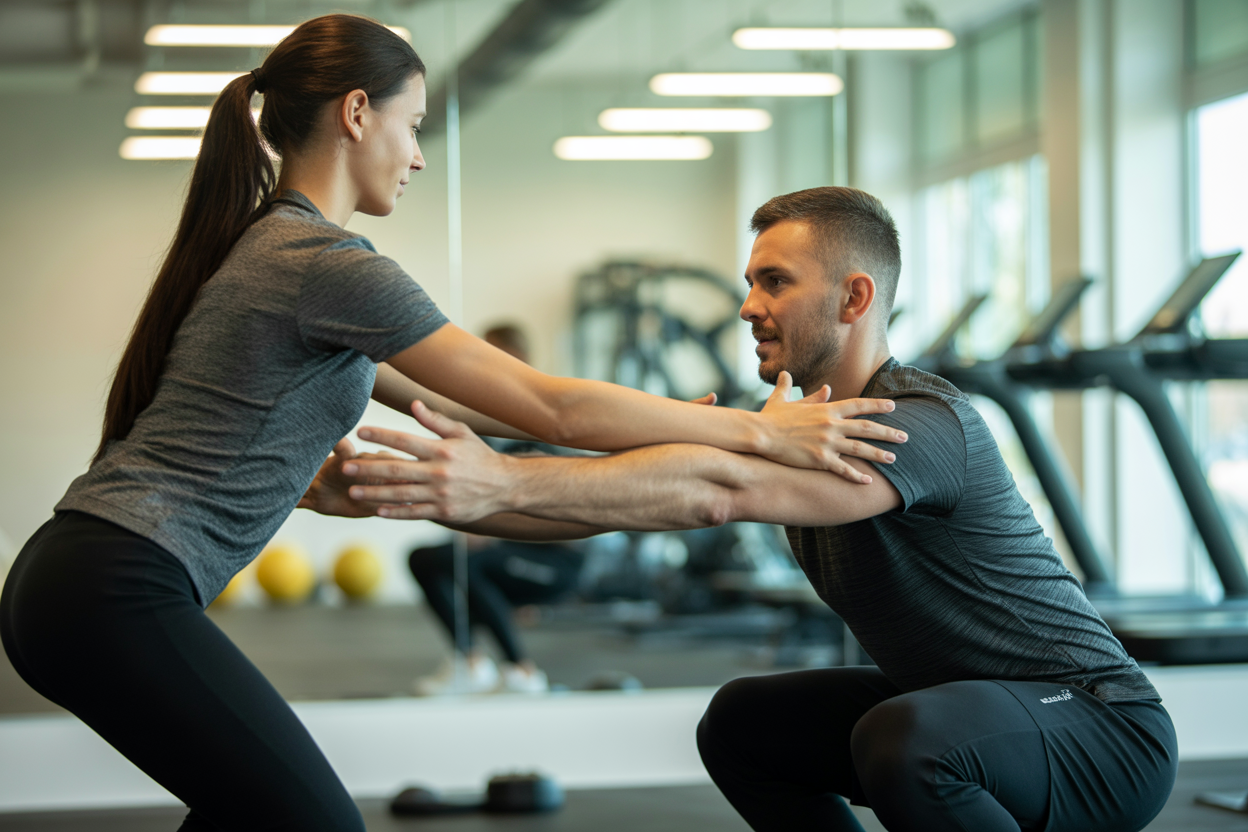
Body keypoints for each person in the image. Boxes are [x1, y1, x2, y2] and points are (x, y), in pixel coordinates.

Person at [0, 16, 902, 831]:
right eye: (415, 124)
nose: (419, 155)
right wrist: (758, 432)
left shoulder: (279, 251)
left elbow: (473, 408)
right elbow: (543, 403)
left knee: (253, 811)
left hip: (83, 584)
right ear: (359, 113)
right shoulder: (324, 262)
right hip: (114, 589)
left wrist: (663, 435)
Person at [313, 187, 1179, 832]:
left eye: (774, 281)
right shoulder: (790, 429)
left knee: (908, 738)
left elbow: (713, 494)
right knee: (746, 726)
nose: (748, 305)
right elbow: (601, 507)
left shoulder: (911, 424)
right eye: (749, 280)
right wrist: (420, 497)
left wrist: (500, 481)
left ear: (854, 299)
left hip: (1099, 727)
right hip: (961, 704)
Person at [409, 323, 585, 696]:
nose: (481, 362)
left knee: (471, 562)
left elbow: (557, 508)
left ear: (517, 359)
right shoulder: (486, 424)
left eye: (492, 352)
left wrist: (494, 531)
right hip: (503, 553)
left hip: (555, 564)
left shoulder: (540, 423)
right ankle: (468, 661)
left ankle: (522, 671)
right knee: (425, 558)